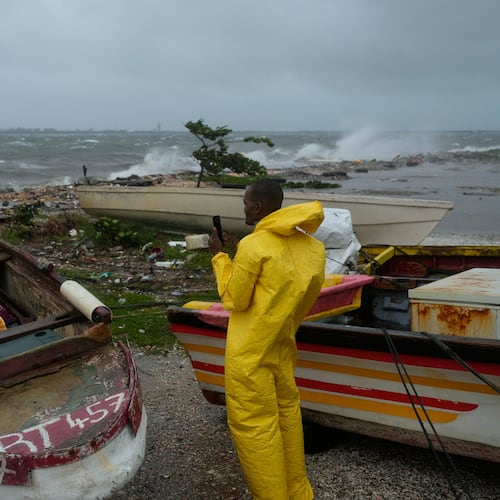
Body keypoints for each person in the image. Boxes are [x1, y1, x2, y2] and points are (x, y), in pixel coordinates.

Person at [209, 179, 326, 499]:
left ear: (258, 207)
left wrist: (220, 257)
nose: (244, 207)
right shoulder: (313, 248)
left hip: (250, 355)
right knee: (288, 417)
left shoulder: (254, 245)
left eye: (246, 202)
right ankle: (299, 493)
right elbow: (297, 297)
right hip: (282, 346)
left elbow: (234, 299)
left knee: (256, 429)